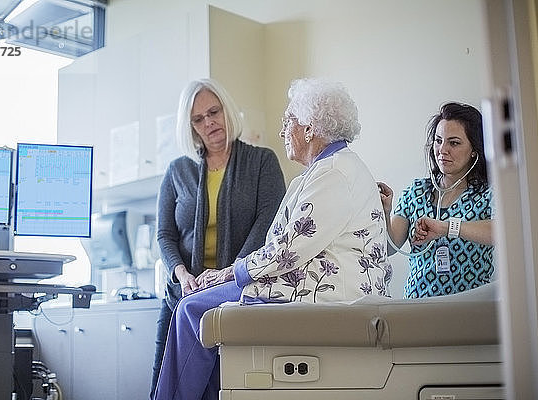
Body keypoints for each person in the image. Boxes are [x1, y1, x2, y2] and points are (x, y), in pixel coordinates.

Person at [153, 78, 392, 400]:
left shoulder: (332, 173)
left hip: (319, 292)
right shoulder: (328, 169)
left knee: (192, 309)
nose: (282, 132)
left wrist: (228, 272)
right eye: (198, 118)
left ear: (309, 128)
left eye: (288, 121)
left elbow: (288, 249)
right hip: (310, 282)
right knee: (194, 312)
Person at [150, 78, 286, 398]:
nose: (209, 122)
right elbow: (165, 233)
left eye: (214, 111)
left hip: (235, 293)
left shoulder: (262, 162)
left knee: (221, 388)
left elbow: (266, 227)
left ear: (227, 110)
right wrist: (182, 274)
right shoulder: (177, 171)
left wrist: (225, 275)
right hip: (182, 295)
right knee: (162, 386)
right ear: (191, 126)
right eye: (198, 119)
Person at [377, 102, 494, 298]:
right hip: (418, 306)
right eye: (438, 141)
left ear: (475, 149)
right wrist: (386, 212)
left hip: (470, 309)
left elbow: (501, 233)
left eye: (454, 143)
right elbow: (390, 248)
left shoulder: (486, 194)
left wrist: (447, 228)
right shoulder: (416, 192)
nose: (442, 150)